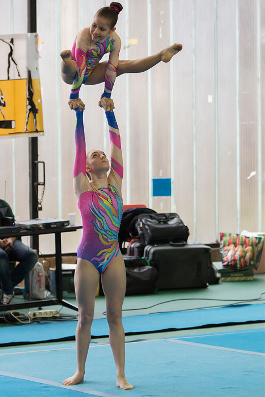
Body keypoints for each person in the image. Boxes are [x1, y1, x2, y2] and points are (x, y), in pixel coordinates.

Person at [63, 99, 133, 390]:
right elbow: (80, 149)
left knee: (115, 315)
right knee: (86, 316)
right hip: (88, 257)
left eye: (103, 154)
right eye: (96, 155)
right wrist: (79, 116)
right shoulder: (82, 187)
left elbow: (117, 146)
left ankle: (120, 374)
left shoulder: (115, 183)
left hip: (112, 255)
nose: (102, 156)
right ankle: (79, 370)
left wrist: (110, 112)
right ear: (88, 168)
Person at [61, 2, 182, 111]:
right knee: (73, 65)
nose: (95, 31)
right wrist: (74, 97)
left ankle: (160, 55)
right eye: (94, 25)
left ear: (112, 30)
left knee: (122, 65)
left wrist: (107, 96)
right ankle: (66, 60)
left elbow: (111, 70)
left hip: (90, 73)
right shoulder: (84, 36)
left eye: (102, 29)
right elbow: (81, 68)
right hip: (71, 74)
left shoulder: (115, 41)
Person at [0, 199, 38, 305]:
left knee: (31, 256)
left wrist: (10, 240)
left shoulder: (3, 205)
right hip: (2, 244)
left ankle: (6, 287)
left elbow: (13, 228)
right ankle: (7, 291)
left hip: (8, 241)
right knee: (2, 256)